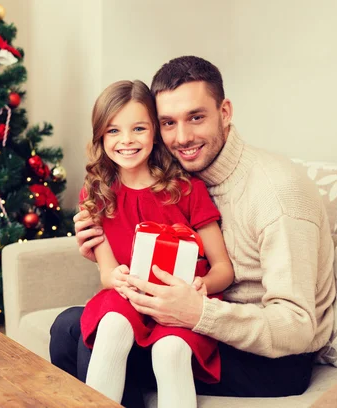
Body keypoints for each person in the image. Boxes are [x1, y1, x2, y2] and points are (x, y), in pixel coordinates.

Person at [50, 56, 336, 407]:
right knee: (71, 326)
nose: (182, 137)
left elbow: (297, 327)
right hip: (196, 320)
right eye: (168, 122)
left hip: (268, 358)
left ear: (225, 112)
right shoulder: (182, 173)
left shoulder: (278, 194)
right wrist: (99, 248)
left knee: (77, 335)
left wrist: (197, 312)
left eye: (196, 117)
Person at [78, 79, 234, 407]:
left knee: (170, 351)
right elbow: (108, 273)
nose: (126, 141)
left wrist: (199, 286)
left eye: (138, 128)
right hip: (129, 296)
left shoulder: (186, 189)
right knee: (112, 328)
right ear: (100, 137)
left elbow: (223, 269)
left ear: (155, 132)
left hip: (181, 300)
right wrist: (116, 278)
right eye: (113, 131)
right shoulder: (96, 194)